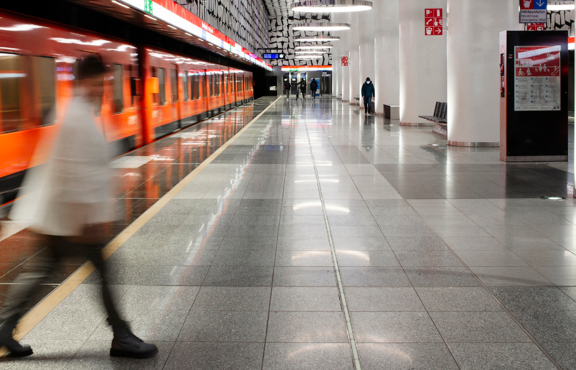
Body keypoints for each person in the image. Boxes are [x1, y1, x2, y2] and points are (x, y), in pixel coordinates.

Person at [0, 55, 158, 359]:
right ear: (83, 82)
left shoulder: (78, 110)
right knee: (105, 269)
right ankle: (122, 335)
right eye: (98, 83)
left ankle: (6, 326)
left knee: (41, 270)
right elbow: (74, 172)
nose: (102, 89)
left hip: (62, 216)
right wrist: (89, 219)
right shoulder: (75, 115)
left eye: (104, 83)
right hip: (74, 218)